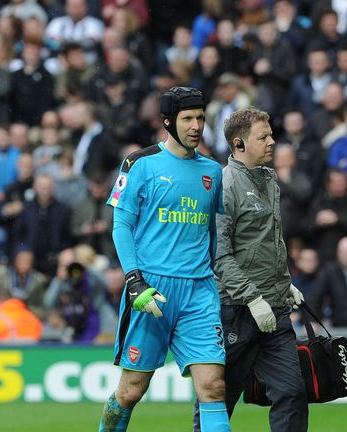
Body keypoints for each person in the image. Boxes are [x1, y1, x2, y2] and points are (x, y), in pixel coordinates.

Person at [98, 87, 229, 432]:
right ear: (168, 122)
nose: (196, 126)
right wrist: (134, 280)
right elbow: (121, 225)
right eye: (188, 119)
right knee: (130, 391)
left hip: (199, 292)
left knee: (214, 386)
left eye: (200, 118)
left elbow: (211, 233)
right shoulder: (139, 163)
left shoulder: (213, 172)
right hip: (151, 292)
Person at [193, 107, 307, 432]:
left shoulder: (270, 179)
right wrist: (253, 299)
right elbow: (219, 256)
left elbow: (270, 242)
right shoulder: (223, 187)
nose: (273, 142)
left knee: (292, 393)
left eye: (271, 134)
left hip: (275, 309)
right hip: (235, 311)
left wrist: (284, 284)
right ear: (239, 143)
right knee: (216, 399)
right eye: (264, 137)